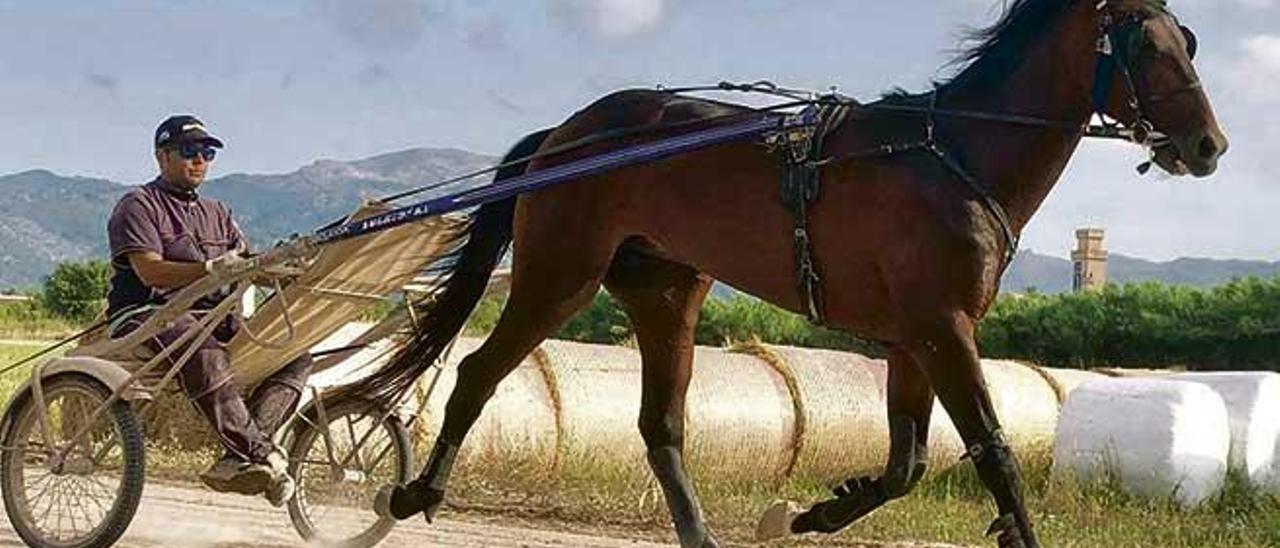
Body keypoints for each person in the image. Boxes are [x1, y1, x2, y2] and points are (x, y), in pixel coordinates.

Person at [105, 115, 311, 506]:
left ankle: (244, 452)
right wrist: (210, 269)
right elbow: (149, 270)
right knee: (204, 350)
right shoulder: (138, 205)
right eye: (189, 151)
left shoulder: (218, 211)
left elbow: (251, 264)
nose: (200, 159)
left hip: (212, 317)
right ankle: (261, 453)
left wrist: (289, 265)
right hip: (146, 314)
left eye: (207, 152)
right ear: (162, 156)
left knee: (295, 356)